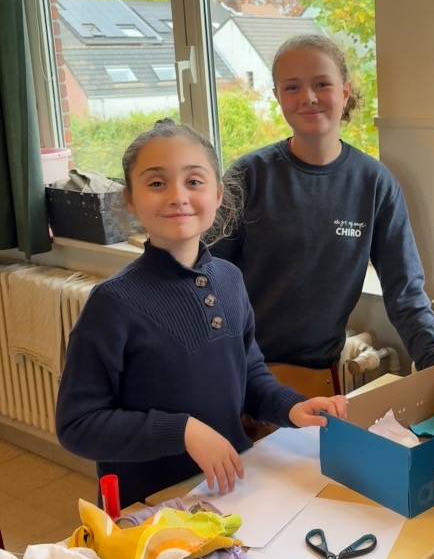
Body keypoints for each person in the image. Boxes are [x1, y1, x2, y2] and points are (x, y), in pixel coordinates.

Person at [56, 119, 346, 507]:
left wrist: (289, 406)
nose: (178, 196)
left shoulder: (229, 279)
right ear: (130, 200)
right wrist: (182, 431)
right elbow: (77, 425)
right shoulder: (112, 303)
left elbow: (248, 372)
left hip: (230, 488)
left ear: (218, 194)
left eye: (194, 181)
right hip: (153, 507)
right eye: (156, 183)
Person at [212, 33, 434, 384]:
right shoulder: (248, 174)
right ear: (277, 96)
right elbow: (206, 278)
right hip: (239, 371)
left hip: (317, 378)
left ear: (345, 91)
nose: (308, 97)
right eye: (292, 87)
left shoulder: (374, 183)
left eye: (321, 84)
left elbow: (405, 293)